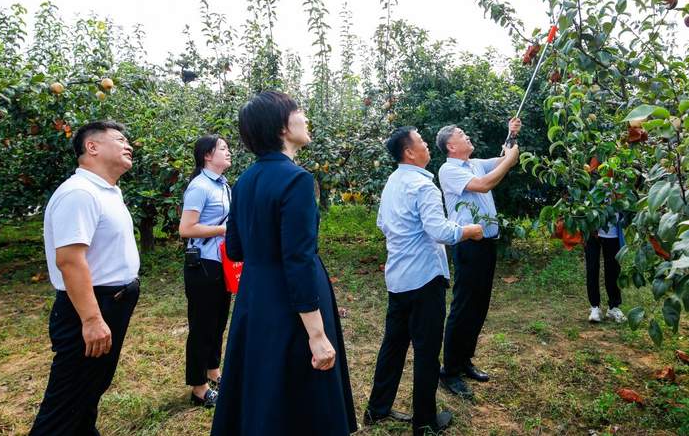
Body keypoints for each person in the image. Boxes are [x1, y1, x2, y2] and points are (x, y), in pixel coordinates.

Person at [210, 91, 357, 435]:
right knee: (302, 392)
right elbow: (298, 259)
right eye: (298, 110)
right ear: (281, 127)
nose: (305, 116)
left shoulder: (243, 180)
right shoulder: (297, 179)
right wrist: (317, 334)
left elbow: (234, 249)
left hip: (255, 296)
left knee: (264, 385)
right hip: (293, 301)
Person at [365, 126, 483, 436]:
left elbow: (382, 223)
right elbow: (440, 232)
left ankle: (377, 409)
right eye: (421, 141)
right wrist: (468, 230)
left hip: (398, 277)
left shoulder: (393, 182)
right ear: (409, 152)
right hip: (424, 279)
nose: (427, 145)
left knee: (393, 346)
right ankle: (426, 423)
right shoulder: (423, 186)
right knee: (427, 352)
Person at [29, 121, 140, 436]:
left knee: (87, 392)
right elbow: (70, 261)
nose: (127, 145)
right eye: (119, 139)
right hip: (91, 306)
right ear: (92, 147)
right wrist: (91, 320)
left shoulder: (107, 191)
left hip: (113, 301)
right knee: (66, 403)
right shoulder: (80, 193)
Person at [434, 118, 521, 399]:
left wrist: (511, 136)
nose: (467, 136)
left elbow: (501, 161)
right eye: (462, 135)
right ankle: (448, 372)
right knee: (464, 306)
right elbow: (484, 185)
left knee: (479, 304)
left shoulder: (474, 163)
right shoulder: (449, 170)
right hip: (469, 245)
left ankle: (464, 360)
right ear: (451, 145)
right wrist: (509, 160)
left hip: (487, 245)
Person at [178, 135, 232, 408]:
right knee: (202, 326)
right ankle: (198, 388)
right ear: (207, 155)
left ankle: (213, 371)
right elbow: (187, 228)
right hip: (203, 265)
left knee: (218, 321)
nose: (228, 152)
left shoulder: (223, 185)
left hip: (221, 263)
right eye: (223, 149)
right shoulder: (200, 186)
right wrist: (225, 230)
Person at [585, 215, 625, 324]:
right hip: (592, 232)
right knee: (592, 269)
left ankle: (613, 307)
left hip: (613, 234)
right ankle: (595, 307)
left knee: (613, 271)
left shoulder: (621, 197)